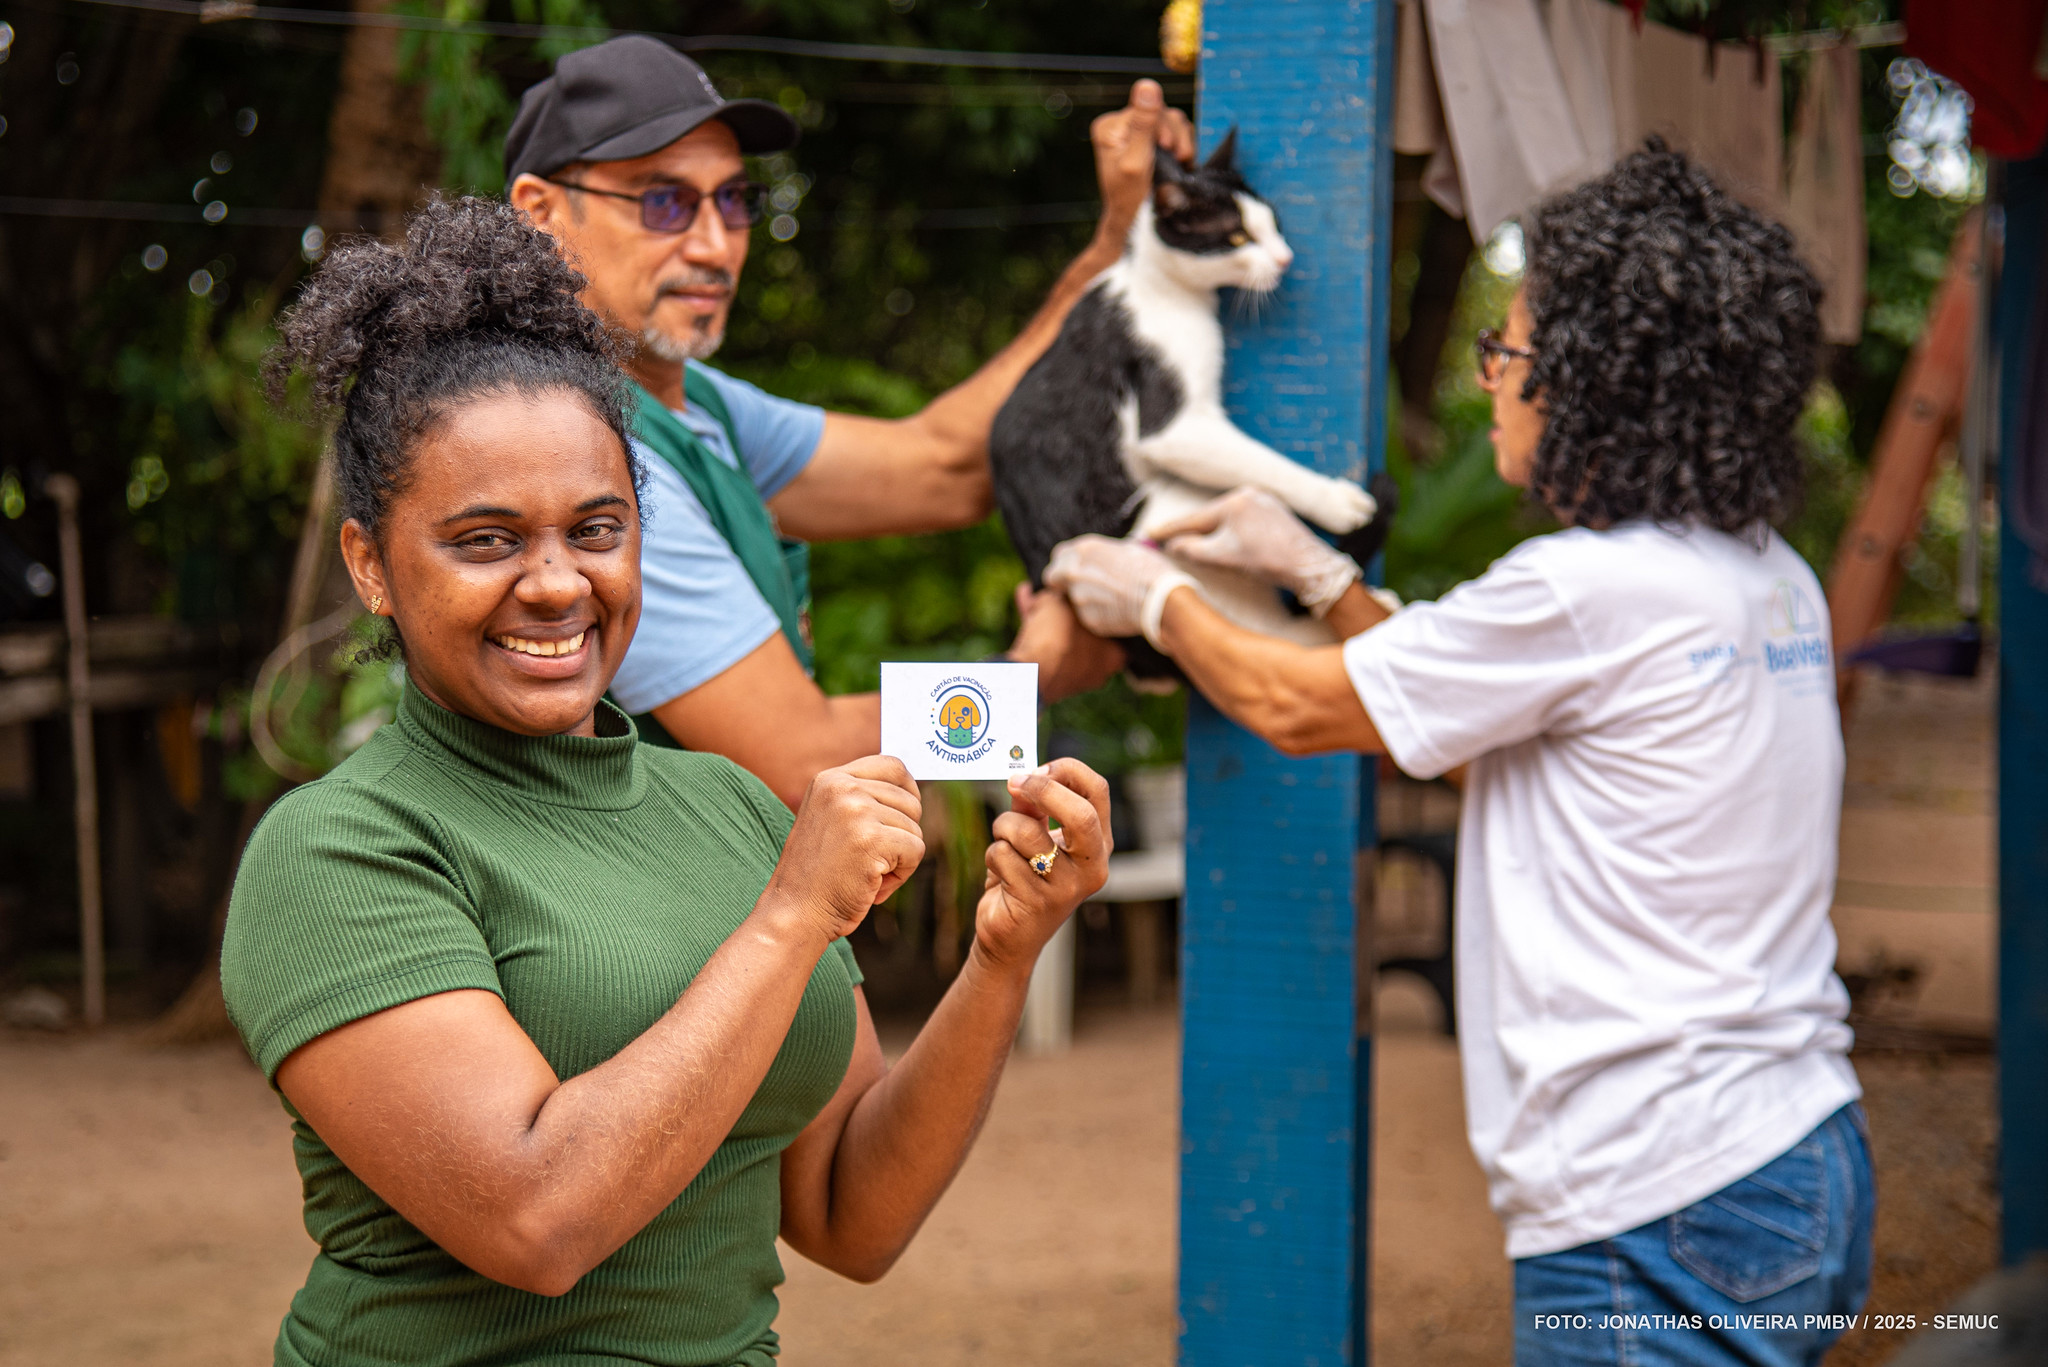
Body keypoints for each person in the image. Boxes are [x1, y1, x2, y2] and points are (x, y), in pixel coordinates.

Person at [222, 196, 1111, 1367]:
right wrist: (788, 917)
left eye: (597, 528)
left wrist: (1001, 956)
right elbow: (538, 1217)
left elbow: (853, 1213)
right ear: (372, 565)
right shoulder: (340, 848)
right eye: (485, 539)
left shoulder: (731, 807)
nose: (555, 583)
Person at [1045, 144, 1872, 1367]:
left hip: (1656, 1191)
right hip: (1796, 1152)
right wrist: (1320, 575)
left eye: (1511, 352)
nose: (1493, 381)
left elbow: (1298, 709)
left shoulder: (1588, 588)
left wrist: (1150, 595)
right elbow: (1461, 718)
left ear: (1598, 385)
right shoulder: (1757, 572)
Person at [504, 36, 1188, 807]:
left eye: (734, 200)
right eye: (663, 201)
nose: (714, 245)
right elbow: (803, 763)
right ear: (540, 213)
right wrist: (1035, 675)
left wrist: (1117, 246)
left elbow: (947, 467)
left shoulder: (692, 400)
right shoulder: (574, 450)